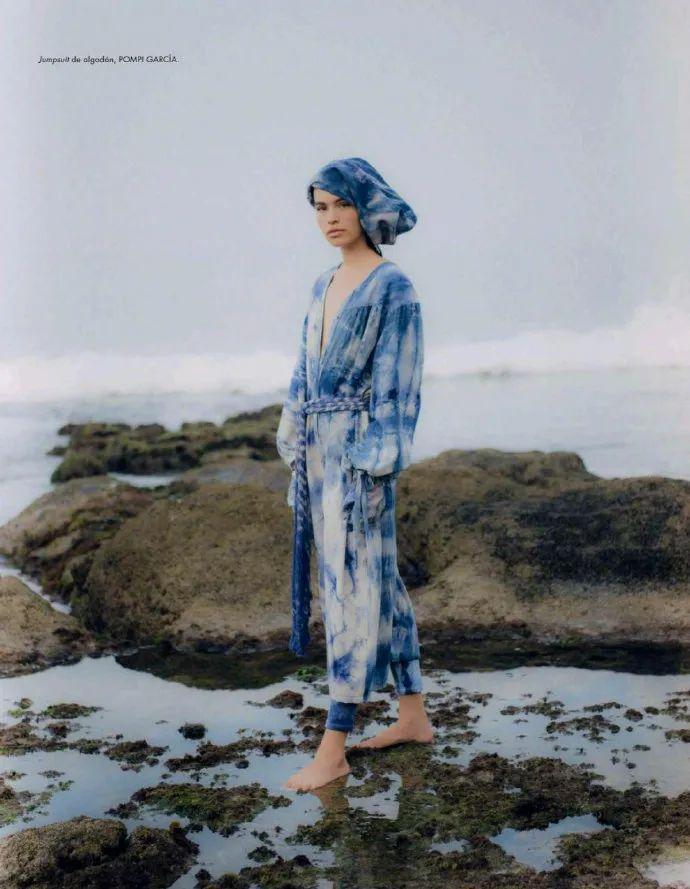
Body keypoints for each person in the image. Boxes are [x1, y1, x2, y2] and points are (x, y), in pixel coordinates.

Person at [276, 157, 433, 792]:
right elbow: (302, 370)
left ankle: (334, 746)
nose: (331, 219)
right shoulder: (322, 285)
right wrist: (294, 433)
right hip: (318, 453)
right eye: (320, 208)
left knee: (351, 590)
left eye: (341, 205)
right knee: (381, 582)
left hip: (361, 458)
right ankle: (413, 717)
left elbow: (400, 384)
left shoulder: (393, 288)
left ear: (367, 208)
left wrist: (375, 459)